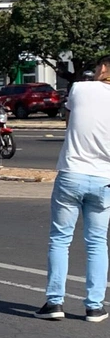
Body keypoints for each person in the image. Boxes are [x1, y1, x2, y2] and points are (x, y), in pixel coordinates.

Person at [35, 56, 110, 323]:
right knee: (97, 243)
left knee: (60, 239)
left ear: (102, 69)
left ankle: (55, 302)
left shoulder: (80, 88)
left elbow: (69, 122)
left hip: (72, 172)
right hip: (104, 178)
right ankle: (94, 306)